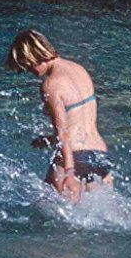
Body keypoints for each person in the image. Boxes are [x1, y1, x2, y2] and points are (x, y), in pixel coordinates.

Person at [8, 28, 114, 198]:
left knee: (44, 209)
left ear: (34, 55)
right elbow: (79, 122)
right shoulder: (78, 69)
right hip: (100, 154)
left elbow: (63, 133)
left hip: (73, 157)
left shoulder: (51, 84)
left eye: (27, 66)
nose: (31, 72)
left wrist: (69, 172)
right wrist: (49, 139)